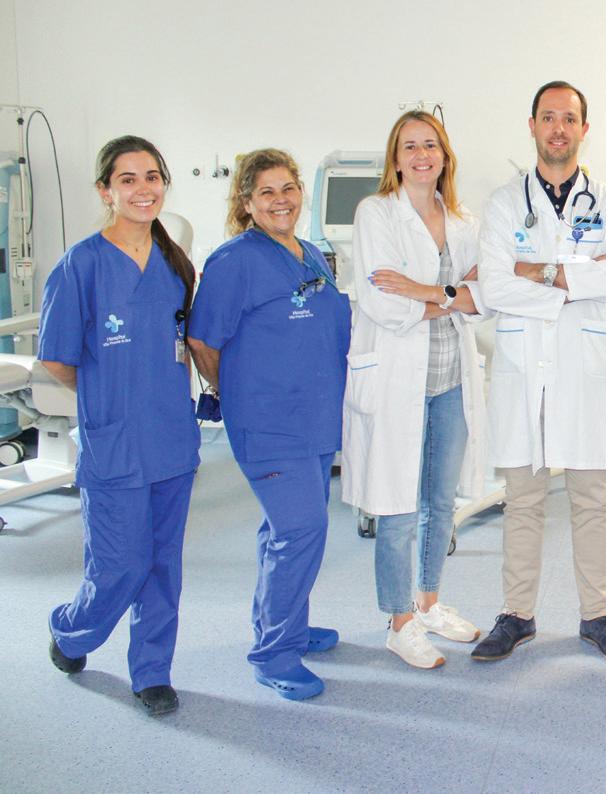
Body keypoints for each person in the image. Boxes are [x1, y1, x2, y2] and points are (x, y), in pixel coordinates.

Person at [471, 80, 606, 664]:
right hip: (525, 366)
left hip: (586, 365)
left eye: (569, 118)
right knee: (523, 498)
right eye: (548, 117)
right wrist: (580, 276)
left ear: (584, 129)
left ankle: (598, 615)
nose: (558, 129)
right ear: (533, 126)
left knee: (592, 498)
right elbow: (495, 287)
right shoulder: (504, 203)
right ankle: (516, 614)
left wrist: (539, 272)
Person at [40, 136, 201, 717]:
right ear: (105, 190)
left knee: (161, 565)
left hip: (172, 438)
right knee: (119, 565)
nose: (142, 189)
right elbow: (57, 359)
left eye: (152, 177)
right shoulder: (80, 264)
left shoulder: (175, 265)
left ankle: (152, 671)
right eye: (127, 179)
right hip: (113, 442)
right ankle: (72, 631)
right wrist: (108, 397)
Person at [188, 149, 351, 701]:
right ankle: (274, 653)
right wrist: (235, 392)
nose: (281, 200)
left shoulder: (311, 254)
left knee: (287, 529)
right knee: (300, 530)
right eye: (267, 192)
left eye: (288, 188)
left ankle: (288, 626)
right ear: (246, 202)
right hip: (268, 422)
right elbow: (202, 340)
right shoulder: (234, 261)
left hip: (314, 416)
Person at [341, 110, 484, 669]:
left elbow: (486, 296)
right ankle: (399, 621)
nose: (422, 155)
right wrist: (453, 295)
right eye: (410, 147)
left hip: (450, 378)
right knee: (397, 504)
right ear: (395, 159)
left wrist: (427, 291)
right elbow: (382, 302)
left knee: (440, 501)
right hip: (398, 379)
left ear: (445, 156)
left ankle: (428, 602)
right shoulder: (376, 213)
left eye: (431, 145)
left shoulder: (464, 221)